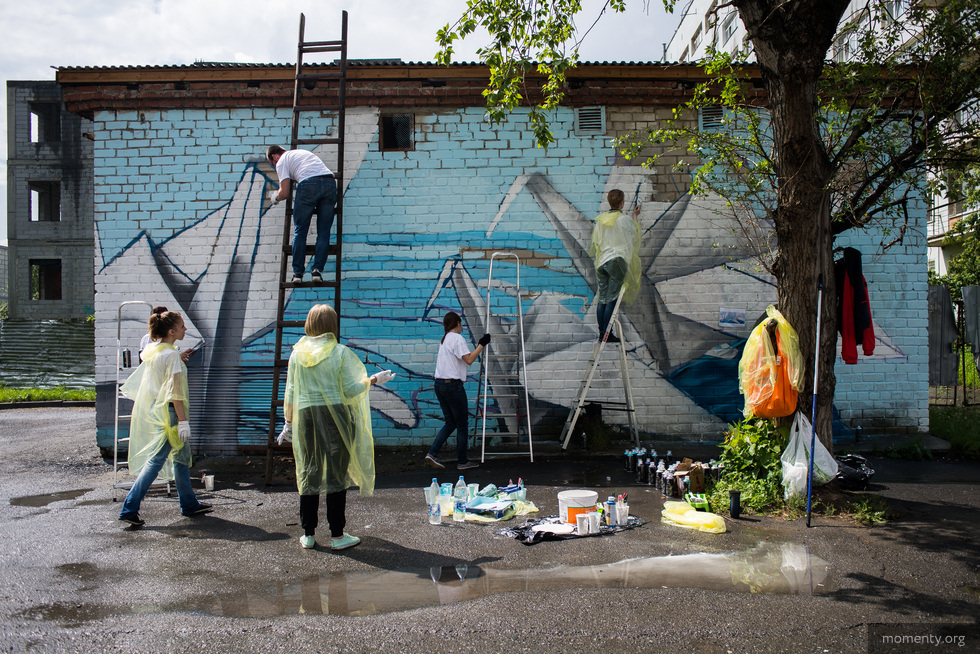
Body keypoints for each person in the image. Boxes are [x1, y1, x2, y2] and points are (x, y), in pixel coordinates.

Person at [277, 304, 391, 551]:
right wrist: (373, 379)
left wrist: (287, 423)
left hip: (306, 417)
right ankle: (337, 535)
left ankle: (308, 533)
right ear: (332, 325)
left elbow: (291, 393)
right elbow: (350, 390)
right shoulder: (340, 353)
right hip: (336, 417)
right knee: (336, 475)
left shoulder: (297, 354)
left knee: (308, 471)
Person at [118, 311, 211, 526]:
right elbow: (175, 391)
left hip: (159, 411)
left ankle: (189, 504)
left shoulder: (156, 352)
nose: (185, 329)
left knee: (180, 458)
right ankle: (129, 507)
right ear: (171, 331)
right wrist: (183, 421)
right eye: (181, 326)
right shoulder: (170, 356)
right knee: (156, 460)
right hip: (171, 414)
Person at [424, 312, 490, 471]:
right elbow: (468, 359)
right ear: (458, 323)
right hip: (453, 386)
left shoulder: (445, 339)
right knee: (461, 424)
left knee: (450, 422)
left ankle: (432, 453)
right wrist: (481, 344)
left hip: (439, 384)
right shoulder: (457, 339)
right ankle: (462, 461)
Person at [266, 145, 337, 284]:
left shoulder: (281, 161)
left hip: (308, 185)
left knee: (300, 230)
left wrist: (275, 197)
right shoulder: (301, 154)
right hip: (329, 183)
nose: (276, 167)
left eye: (273, 164)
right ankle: (317, 270)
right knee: (324, 232)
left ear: (274, 156)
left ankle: (298, 273)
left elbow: (285, 192)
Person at [589, 188, 641, 343]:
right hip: (617, 261)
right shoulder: (624, 220)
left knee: (602, 298)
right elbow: (635, 234)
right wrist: (635, 216)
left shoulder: (601, 221)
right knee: (611, 298)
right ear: (622, 203)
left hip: (601, 262)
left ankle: (601, 333)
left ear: (609, 202)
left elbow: (596, 243)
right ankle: (607, 334)